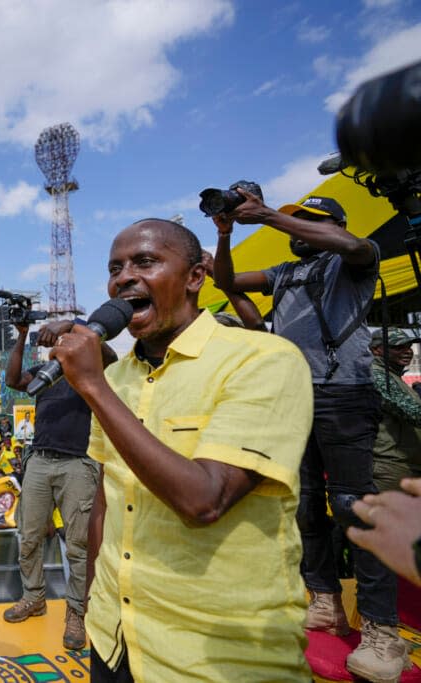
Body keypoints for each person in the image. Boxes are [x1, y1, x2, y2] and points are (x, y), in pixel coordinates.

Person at [52, 218, 315, 681]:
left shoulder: (264, 360)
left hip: (214, 655)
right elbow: (104, 504)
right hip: (114, 640)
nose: (123, 277)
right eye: (115, 268)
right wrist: (96, 605)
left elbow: (205, 500)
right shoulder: (116, 379)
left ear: (195, 277)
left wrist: (92, 385)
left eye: (145, 261)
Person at [212, 193, 407, 680]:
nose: (300, 231)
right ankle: (324, 601)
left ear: (337, 225)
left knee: (353, 507)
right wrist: (223, 234)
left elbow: (354, 246)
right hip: (295, 395)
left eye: (312, 224)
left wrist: (270, 216)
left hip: (344, 393)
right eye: (299, 222)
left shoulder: (355, 262)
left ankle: (383, 632)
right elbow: (226, 282)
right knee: (303, 504)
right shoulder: (283, 272)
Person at [2, 318, 111, 650]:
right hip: (40, 460)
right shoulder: (45, 373)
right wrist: (22, 337)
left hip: (78, 462)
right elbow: (12, 379)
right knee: (29, 537)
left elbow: (108, 353)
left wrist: (73, 325)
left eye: (65, 340)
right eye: (55, 341)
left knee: (78, 547)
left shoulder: (91, 370)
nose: (58, 345)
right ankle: (34, 597)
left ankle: (76, 613)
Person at [368, 328, 421, 492]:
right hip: (391, 468)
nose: (407, 352)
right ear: (376, 349)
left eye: (409, 346)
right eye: (398, 347)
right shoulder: (377, 375)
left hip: (405, 465)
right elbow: (413, 412)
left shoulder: (392, 375)